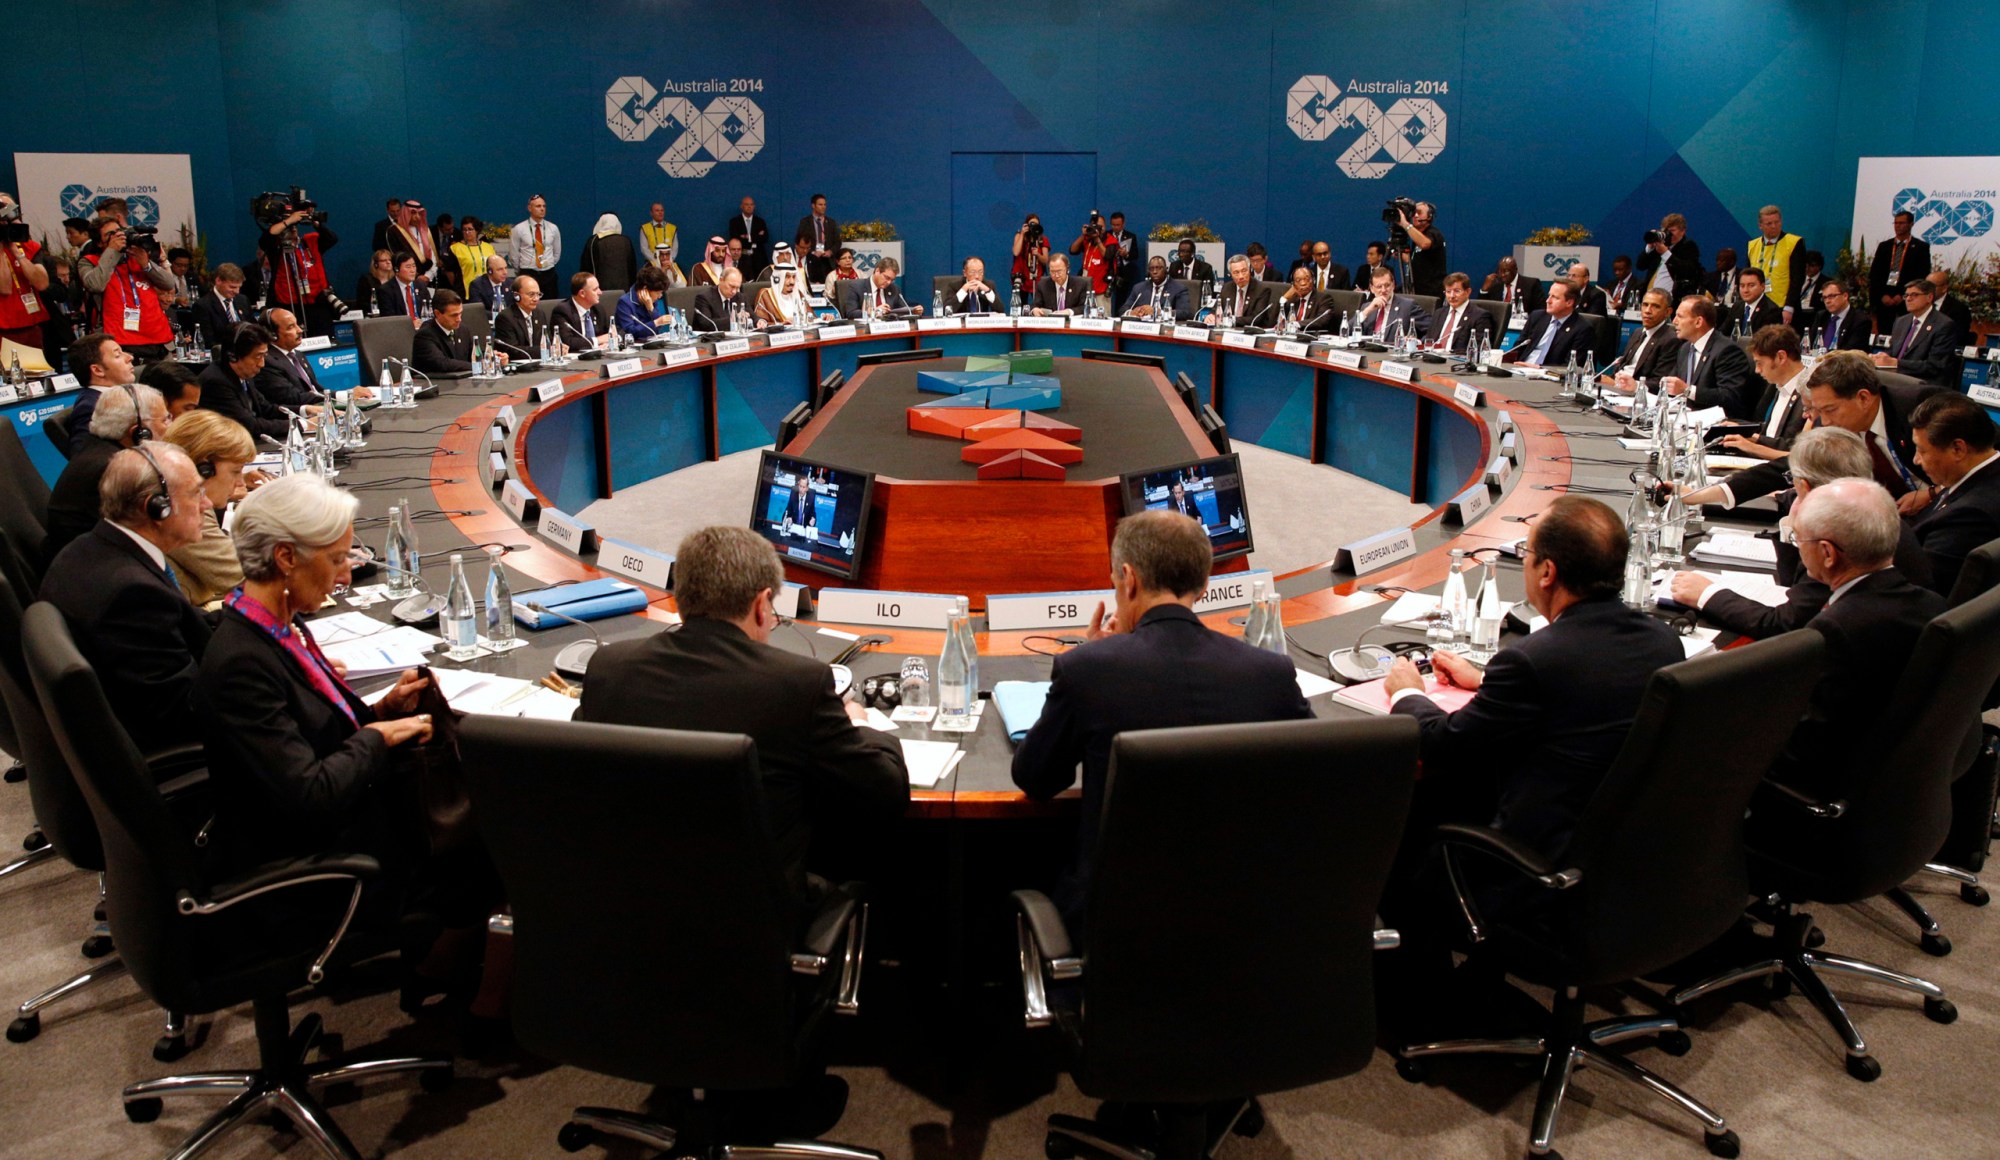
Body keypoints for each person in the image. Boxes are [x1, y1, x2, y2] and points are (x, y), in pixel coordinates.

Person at [578, 526, 908, 919]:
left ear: (682, 600)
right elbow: (886, 793)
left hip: (623, 922)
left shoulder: (609, 669)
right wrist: (858, 724)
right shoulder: (798, 685)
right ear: (761, 605)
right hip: (752, 934)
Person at [1012, 509, 1311, 929]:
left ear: (1129, 579)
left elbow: (1036, 779)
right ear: (1204, 586)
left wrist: (1092, 658)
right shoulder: (1271, 674)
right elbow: (1315, 779)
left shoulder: (1088, 671)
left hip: (1122, 933)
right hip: (1251, 927)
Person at [1384, 495, 1684, 864]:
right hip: (1621, 858)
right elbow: (1586, 694)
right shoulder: (1663, 640)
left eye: (1527, 552)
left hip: (1533, 861)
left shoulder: (1532, 660)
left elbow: (1444, 743)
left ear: (1547, 573)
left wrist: (1407, 693)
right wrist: (1484, 682)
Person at [194, 473, 442, 877]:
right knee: (481, 863)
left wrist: (382, 711)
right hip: (313, 869)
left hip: (340, 826)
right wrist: (376, 737)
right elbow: (310, 795)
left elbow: (318, 733)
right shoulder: (241, 666)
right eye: (336, 559)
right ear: (286, 558)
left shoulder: (279, 624)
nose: (345, 576)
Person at [1762, 479, 1945, 802]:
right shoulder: (1931, 604)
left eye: (1797, 539)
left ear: (1827, 553)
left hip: (1823, 801)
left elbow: (1803, 751)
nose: (1796, 546)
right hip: (1902, 793)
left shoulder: (1836, 630)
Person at [1669, 427, 1927, 637]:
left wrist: (1708, 594)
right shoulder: (1877, 514)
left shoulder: (1839, 532)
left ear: (1802, 485)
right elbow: (1795, 587)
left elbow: (1787, 623)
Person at [41, 442, 213, 754]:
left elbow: (186, 625)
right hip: (183, 754)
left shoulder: (89, 547)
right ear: (156, 507)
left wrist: (257, 619)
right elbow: (184, 711)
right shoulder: (131, 594)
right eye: (196, 493)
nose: (207, 504)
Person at [1685, 353, 1932, 508]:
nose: (1822, 421)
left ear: (1864, 398)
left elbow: (1968, 466)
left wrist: (1933, 494)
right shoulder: (1838, 422)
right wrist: (1702, 494)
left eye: (1829, 410)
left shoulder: (1922, 406)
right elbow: (1793, 465)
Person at [45, 382, 170, 563]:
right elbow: (149, 533)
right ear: (140, 432)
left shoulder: (98, 449)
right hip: (90, 571)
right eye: (165, 419)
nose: (171, 425)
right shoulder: (115, 469)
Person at [1904, 391, 2000, 595]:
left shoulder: (1971, 516)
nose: (1916, 460)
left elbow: (1922, 587)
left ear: (1958, 449)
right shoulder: (1974, 475)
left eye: (1922, 450)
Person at [161, 409, 255, 605]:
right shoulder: (179, 512)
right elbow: (247, 579)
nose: (240, 482)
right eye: (235, 471)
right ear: (203, 469)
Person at [1715, 324, 1812, 459]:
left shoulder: (1810, 392)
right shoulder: (1777, 385)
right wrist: (1742, 429)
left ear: (1781, 357)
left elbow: (1795, 447)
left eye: (1760, 363)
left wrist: (1755, 440)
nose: (1757, 370)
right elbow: (1771, 429)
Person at [86, 219, 175, 359]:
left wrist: (146, 264)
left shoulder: (136, 257)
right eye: (110, 234)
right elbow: (95, 284)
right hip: (121, 343)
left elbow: (168, 284)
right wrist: (112, 251)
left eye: (118, 232)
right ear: (99, 242)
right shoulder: (89, 261)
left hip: (157, 339)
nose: (118, 237)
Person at [1659, 295, 1759, 419]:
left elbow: (1730, 396)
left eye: (1680, 316)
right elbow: (1674, 385)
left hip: (1717, 424)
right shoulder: (1685, 348)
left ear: (1698, 322)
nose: (1674, 321)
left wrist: (1688, 390)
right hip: (1684, 418)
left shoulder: (1727, 351)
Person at [197, 322, 296, 443]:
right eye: (258, 356)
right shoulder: (216, 382)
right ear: (233, 356)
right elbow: (249, 426)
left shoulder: (243, 373)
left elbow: (267, 408)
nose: (262, 364)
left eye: (264, 356)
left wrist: (305, 411)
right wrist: (299, 425)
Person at [258, 204, 341, 338]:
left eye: (295, 227)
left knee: (324, 339)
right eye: (290, 228)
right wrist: (288, 221)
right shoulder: (277, 248)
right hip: (288, 303)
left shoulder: (309, 243)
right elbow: (265, 239)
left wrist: (315, 223)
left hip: (316, 303)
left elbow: (332, 238)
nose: (293, 229)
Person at [1870, 277, 1961, 387]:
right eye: (1906, 295)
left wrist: (1896, 363)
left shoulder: (1944, 325)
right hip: (1898, 378)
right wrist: (1882, 356)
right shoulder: (1901, 321)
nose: (1908, 299)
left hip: (1925, 382)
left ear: (1929, 297)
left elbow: (1934, 365)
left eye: (1914, 295)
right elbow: (1893, 350)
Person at [61, 332, 139, 454]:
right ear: (98, 370)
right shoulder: (91, 408)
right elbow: (86, 460)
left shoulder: (123, 395)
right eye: (118, 355)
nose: (130, 357)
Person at [0, 193, 52, 354]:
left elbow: (42, 283)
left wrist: (17, 252)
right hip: (4, 326)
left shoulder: (30, 246)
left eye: (10, 211)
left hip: (31, 323)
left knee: (35, 375)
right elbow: (5, 287)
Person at [1501, 281, 1593, 368]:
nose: (1548, 301)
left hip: (1548, 378)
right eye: (1549, 295)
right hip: (1520, 369)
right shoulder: (1537, 317)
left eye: (1555, 297)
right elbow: (1518, 348)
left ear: (1569, 302)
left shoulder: (1582, 329)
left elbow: (1571, 367)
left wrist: (1540, 369)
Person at [1606, 288, 1681, 391]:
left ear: (1668, 312)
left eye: (1656, 306)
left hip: (1638, 392)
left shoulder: (1670, 339)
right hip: (1617, 386)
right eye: (1645, 305)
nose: (1648, 311)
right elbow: (1623, 366)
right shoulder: (1638, 332)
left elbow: (1661, 381)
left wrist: (1635, 385)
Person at [257, 308, 333, 408]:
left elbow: (316, 390)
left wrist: (346, 395)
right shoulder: (267, 361)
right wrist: (341, 396)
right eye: (291, 327)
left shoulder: (298, 355)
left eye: (297, 324)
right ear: (272, 334)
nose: (300, 330)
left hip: (318, 409)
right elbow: (293, 397)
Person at [1868, 210, 1930, 333]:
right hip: (1885, 298)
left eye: (1902, 223)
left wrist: (1903, 294)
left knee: (1904, 331)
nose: (1898, 226)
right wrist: (1882, 295)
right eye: (1896, 223)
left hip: (1906, 298)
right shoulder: (1884, 246)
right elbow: (1875, 274)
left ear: (1911, 224)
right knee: (1884, 332)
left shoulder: (1920, 247)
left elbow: (1921, 274)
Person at [413, 289, 500, 375]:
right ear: (438, 314)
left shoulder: (462, 329)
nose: (459, 319)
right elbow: (442, 363)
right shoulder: (425, 335)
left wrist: (491, 358)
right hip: (437, 383)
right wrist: (479, 365)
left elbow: (473, 354)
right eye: (454, 315)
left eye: (460, 313)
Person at [1745, 204, 1806, 312]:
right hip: (1757, 305)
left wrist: (1789, 306)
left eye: (1777, 222)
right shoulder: (1752, 245)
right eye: (1769, 223)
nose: (1774, 226)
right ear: (1760, 225)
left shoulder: (1794, 243)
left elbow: (1798, 278)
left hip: (1783, 306)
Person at [1636, 212, 1702, 302]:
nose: (1668, 234)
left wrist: (1665, 253)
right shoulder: (1659, 245)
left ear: (1683, 231)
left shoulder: (1688, 246)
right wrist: (1649, 247)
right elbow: (1640, 266)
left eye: (1672, 231)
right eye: (1665, 230)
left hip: (1671, 300)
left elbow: (1688, 271)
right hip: (1650, 297)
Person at [1423, 272, 1493, 355]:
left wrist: (1449, 353)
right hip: (1432, 360)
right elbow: (1429, 340)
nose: (1452, 296)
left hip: (1456, 363)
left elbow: (1479, 350)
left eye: (1457, 291)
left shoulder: (1480, 316)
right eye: (1448, 291)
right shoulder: (1439, 313)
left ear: (1468, 292)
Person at [1356, 265, 1431, 342]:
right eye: (1379, 287)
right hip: (1368, 352)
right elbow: (1348, 331)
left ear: (1393, 285)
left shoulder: (1408, 306)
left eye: (1387, 285)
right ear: (1372, 288)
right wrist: (1367, 311)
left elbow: (1434, 329)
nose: (1383, 290)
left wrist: (1417, 343)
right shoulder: (1367, 307)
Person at [511, 195, 562, 297]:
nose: (542, 209)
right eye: (538, 206)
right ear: (529, 208)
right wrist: (522, 270)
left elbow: (556, 253)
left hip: (548, 273)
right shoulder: (519, 229)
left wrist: (547, 264)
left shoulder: (553, 228)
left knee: (549, 304)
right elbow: (514, 255)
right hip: (528, 272)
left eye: (544, 206)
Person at [578, 213, 638, 296]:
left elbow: (587, 267)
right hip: (624, 290)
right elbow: (632, 268)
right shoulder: (626, 241)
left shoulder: (594, 241)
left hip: (599, 290)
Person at [192, 263, 250, 346]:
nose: (237, 291)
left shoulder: (243, 300)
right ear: (218, 281)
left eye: (239, 287)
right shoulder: (203, 306)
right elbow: (208, 340)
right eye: (232, 287)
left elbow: (252, 328)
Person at [1398, 201, 1448, 298]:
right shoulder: (1417, 236)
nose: (1415, 215)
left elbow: (1425, 244)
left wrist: (1405, 224)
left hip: (1430, 292)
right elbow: (1412, 259)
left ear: (1429, 216)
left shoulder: (1434, 233)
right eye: (1413, 212)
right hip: (1417, 289)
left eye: (1419, 212)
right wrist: (1398, 253)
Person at [493, 276, 551, 358]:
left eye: (538, 294)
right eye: (531, 294)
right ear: (517, 296)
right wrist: (546, 350)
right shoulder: (505, 318)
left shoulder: (539, 314)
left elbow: (548, 340)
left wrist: (558, 346)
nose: (536, 299)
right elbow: (513, 351)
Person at [842, 257, 917, 320]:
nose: (889, 282)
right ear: (877, 271)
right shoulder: (856, 287)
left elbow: (903, 309)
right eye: (887, 277)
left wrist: (913, 311)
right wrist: (875, 311)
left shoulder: (894, 288)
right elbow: (850, 313)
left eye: (892, 280)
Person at [549, 273, 608, 351]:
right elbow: (567, 342)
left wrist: (608, 342)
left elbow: (614, 330)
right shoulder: (562, 311)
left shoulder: (597, 308)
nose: (600, 292)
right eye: (595, 289)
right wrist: (597, 341)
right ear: (582, 293)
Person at [1120, 256, 1190, 322]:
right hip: (1141, 329)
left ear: (1166, 269)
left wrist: (1158, 312)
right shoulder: (1139, 288)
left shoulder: (1179, 288)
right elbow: (1123, 309)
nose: (1155, 272)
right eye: (1151, 269)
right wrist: (1131, 312)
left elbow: (1185, 313)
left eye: (1159, 268)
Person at [386, 198, 440, 283]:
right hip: (407, 280)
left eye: (420, 213)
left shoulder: (425, 230)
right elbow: (397, 258)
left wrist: (428, 276)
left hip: (428, 279)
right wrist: (417, 276)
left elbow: (432, 256)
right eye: (413, 213)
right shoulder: (394, 232)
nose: (417, 217)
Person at [1807, 279, 1870, 352]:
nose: (1827, 301)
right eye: (1824, 298)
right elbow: (1810, 344)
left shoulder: (1860, 320)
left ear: (1845, 296)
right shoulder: (1821, 316)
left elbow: (1850, 352)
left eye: (1832, 296)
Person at [1217, 254, 1277, 328]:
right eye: (1236, 273)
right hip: (1228, 331)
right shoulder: (1227, 287)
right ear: (1230, 274)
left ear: (1250, 270)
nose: (1241, 276)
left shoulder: (1262, 289)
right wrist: (1212, 315)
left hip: (1250, 332)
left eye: (1244, 271)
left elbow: (1257, 318)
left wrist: (1232, 320)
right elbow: (1217, 307)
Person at [615, 265, 673, 338]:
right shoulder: (625, 302)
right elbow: (630, 332)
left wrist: (651, 309)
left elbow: (658, 327)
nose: (660, 296)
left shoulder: (652, 300)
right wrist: (656, 322)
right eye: (658, 293)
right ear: (645, 289)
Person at [373, 253, 433, 323]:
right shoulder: (386, 290)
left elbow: (429, 311)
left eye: (414, 266)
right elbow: (389, 320)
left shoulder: (420, 285)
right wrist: (410, 325)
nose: (412, 270)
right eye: (408, 267)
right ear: (396, 270)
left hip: (423, 329)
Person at [1275, 266, 1336, 332]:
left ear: (1313, 281)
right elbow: (1275, 320)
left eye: (1307, 279)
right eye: (1298, 280)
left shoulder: (1324, 298)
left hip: (1310, 337)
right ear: (1293, 284)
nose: (1303, 283)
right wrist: (1284, 298)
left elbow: (1322, 320)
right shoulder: (1292, 299)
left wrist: (1295, 324)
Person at [748, 263, 810, 329]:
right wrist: (781, 324)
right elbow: (760, 323)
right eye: (787, 277)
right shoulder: (765, 295)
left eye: (794, 277)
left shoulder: (798, 294)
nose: (792, 282)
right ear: (777, 279)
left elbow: (811, 317)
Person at [1726, 267, 1784, 337]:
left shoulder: (1772, 311)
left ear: (1762, 286)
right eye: (1742, 286)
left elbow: (1766, 342)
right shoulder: (1737, 306)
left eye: (1751, 285)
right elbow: (1724, 332)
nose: (1745, 290)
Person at [795, 194, 839, 284]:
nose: (823, 207)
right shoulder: (805, 222)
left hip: (828, 261)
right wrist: (812, 252)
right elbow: (801, 240)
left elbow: (838, 242)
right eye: (820, 204)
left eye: (825, 204)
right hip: (811, 260)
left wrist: (830, 252)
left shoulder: (831, 222)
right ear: (813, 206)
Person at [1072, 217, 1112, 313]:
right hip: (1085, 284)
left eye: (1101, 226)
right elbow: (1072, 250)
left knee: (1103, 316)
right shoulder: (1087, 239)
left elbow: (1108, 256)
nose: (1098, 229)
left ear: (1105, 227)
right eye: (1095, 227)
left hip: (1101, 287)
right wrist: (1084, 234)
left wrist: (1098, 240)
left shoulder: (1111, 239)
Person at [448, 218, 495, 295]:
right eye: (464, 230)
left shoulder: (488, 247)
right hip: (466, 292)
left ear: (477, 230)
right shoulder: (455, 248)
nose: (467, 232)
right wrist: (458, 287)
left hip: (488, 290)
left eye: (470, 229)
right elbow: (449, 271)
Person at [691, 267, 747, 332]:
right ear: (721, 280)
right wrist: (734, 319)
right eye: (732, 286)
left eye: (737, 288)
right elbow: (707, 325)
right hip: (709, 339)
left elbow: (751, 315)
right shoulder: (704, 298)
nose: (734, 291)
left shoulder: (740, 297)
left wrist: (759, 321)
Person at [721, 198, 764, 278]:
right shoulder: (734, 222)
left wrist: (747, 237)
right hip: (741, 258)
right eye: (747, 204)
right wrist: (756, 236)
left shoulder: (760, 221)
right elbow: (735, 239)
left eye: (751, 205)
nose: (749, 207)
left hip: (757, 258)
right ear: (741, 206)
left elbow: (764, 238)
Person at [1104, 211, 1140, 305]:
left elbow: (1135, 255)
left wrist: (1126, 254)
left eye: (1118, 225)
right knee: (1105, 298)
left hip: (1123, 273)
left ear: (1123, 224)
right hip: (1107, 271)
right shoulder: (1105, 235)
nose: (1115, 227)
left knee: (1121, 300)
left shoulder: (1131, 236)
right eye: (1113, 225)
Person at [1011, 214, 1051, 293]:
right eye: (1031, 224)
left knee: (1038, 303)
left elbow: (1045, 260)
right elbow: (1016, 252)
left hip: (1037, 277)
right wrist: (1022, 234)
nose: (1033, 227)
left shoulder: (1042, 239)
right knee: (1020, 303)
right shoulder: (1019, 235)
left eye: (1036, 224)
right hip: (1021, 276)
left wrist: (1038, 255)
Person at [1928, 269, 1973, 336]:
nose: (1926, 289)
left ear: (1944, 288)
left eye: (1932, 286)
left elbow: (1956, 336)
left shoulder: (1959, 309)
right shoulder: (1918, 304)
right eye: (1925, 285)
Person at [1788, 251, 1829, 322]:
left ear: (1819, 266)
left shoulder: (1826, 282)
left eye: (1811, 266)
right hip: (1796, 314)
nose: (1807, 268)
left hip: (1813, 317)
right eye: (1805, 265)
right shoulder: (1797, 279)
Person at [643, 202, 682, 272]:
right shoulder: (645, 228)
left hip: (669, 264)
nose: (660, 213)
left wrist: (668, 260)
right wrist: (656, 262)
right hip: (652, 266)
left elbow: (675, 247)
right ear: (651, 213)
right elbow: (644, 248)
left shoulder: (672, 228)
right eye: (657, 211)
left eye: (662, 210)